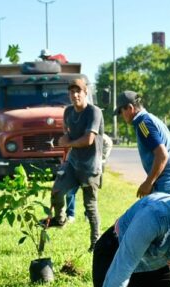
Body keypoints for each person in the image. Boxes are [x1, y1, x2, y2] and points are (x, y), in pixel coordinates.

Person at [47, 77, 104, 250]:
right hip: (73, 163)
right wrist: (64, 149)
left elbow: (88, 140)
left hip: (90, 166)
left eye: (78, 91)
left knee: (90, 206)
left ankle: (95, 243)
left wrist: (67, 142)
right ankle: (60, 219)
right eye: (71, 92)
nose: (75, 95)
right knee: (57, 190)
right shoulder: (68, 112)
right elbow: (67, 137)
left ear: (85, 92)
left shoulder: (94, 112)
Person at [114, 90, 170, 198]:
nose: (121, 116)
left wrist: (148, 183)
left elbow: (162, 155)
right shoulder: (149, 119)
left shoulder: (143, 124)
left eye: (121, 112)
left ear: (130, 108)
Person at [65, 132, 113, 222]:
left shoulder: (101, 137)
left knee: (89, 193)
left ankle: (88, 215)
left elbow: (108, 144)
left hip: (91, 169)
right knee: (70, 191)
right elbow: (71, 150)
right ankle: (70, 215)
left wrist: (99, 159)